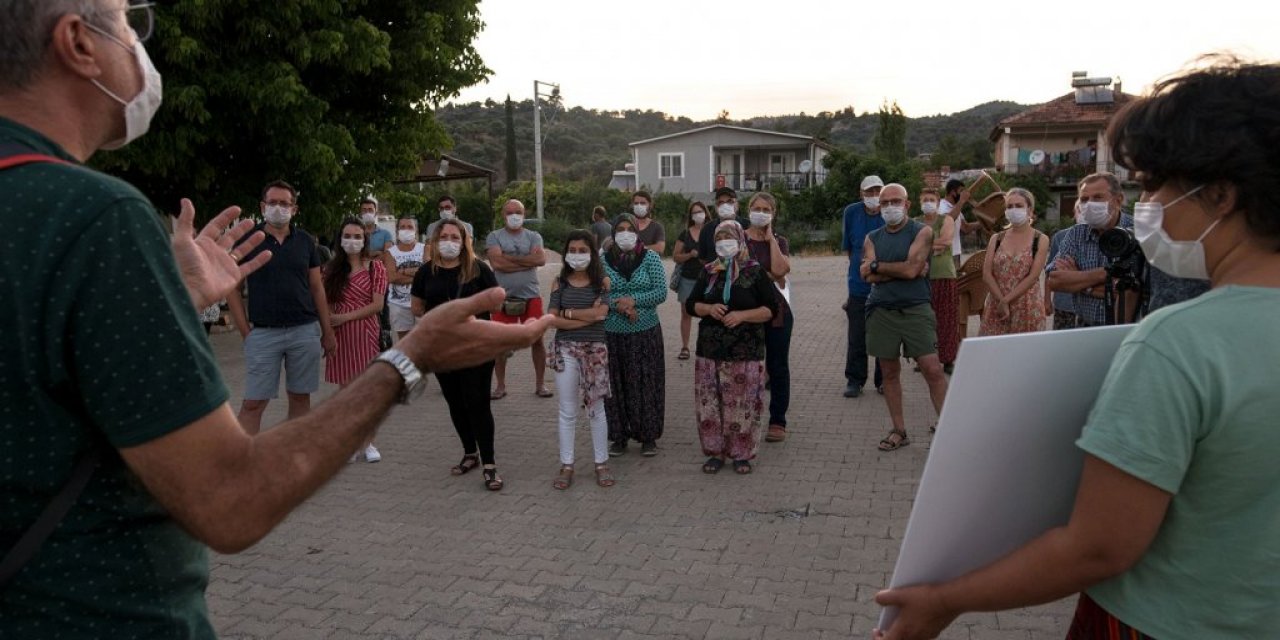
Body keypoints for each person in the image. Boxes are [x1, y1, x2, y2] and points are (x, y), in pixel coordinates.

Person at [0, 3, 550, 634]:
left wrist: (174, 298)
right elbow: (229, 500)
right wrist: (410, 356)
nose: (141, 46)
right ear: (77, 43)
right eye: (131, 24)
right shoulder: (92, 217)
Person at [874, 58, 1280, 640]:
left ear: (1219, 194)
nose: (1150, 205)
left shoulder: (1178, 345)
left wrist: (944, 598)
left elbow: (1097, 547)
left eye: (1158, 185)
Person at [225, 180, 338, 435]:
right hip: (263, 334)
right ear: (262, 206)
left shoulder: (306, 242)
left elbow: (316, 287)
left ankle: (294, 457)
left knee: (300, 398)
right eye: (273, 203)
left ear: (294, 209)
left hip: (304, 332)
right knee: (254, 403)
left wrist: (327, 331)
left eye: (284, 203)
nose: (278, 208)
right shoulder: (248, 241)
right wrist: (245, 331)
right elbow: (232, 287)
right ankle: (242, 463)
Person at [411, 219, 506, 491]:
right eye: (444, 236)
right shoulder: (425, 272)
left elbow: (497, 300)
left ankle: (489, 464)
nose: (449, 241)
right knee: (455, 402)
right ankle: (469, 453)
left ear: (464, 241)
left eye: (455, 236)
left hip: (476, 347)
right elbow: (417, 307)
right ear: (435, 241)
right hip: (442, 349)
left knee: (477, 402)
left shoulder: (479, 269)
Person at [861, 183, 949, 451]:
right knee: (889, 372)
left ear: (907, 204)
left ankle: (948, 429)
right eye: (885, 202)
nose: (889, 207)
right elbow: (868, 274)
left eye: (895, 201)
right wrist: (898, 268)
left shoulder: (921, 231)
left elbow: (912, 271)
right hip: (881, 311)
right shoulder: (872, 238)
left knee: (932, 369)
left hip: (916, 309)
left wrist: (880, 269)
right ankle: (899, 430)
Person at [686, 221, 778, 474]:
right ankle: (715, 452)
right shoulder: (708, 271)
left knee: (743, 403)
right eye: (719, 239)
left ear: (740, 240)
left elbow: (771, 309)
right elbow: (690, 304)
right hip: (710, 350)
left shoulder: (754, 271)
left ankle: (741, 453)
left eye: (729, 238)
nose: (724, 244)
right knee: (710, 404)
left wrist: (742, 316)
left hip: (745, 351)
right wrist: (708, 309)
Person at [547, 231, 614, 490]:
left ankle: (601, 463)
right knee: (567, 410)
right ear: (565, 253)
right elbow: (552, 319)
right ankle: (567, 465)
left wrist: (570, 314)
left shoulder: (602, 283)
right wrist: (589, 316)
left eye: (582, 250)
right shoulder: (558, 282)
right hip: (565, 351)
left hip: (595, 350)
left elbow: (603, 314)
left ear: (592, 252)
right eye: (572, 250)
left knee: (596, 409)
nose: (577, 255)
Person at [602, 213, 668, 457]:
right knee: (615, 385)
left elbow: (661, 292)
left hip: (645, 331)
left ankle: (648, 435)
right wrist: (618, 303)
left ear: (637, 232)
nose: (625, 233)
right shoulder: (603, 260)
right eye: (620, 229)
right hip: (613, 333)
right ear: (613, 233)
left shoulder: (650, 258)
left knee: (647, 382)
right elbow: (597, 294)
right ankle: (618, 437)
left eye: (630, 228)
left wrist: (634, 301)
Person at [322, 219, 388, 462]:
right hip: (340, 336)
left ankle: (368, 442)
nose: (352, 240)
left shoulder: (375, 268)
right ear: (340, 239)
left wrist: (345, 316)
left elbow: (377, 305)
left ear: (364, 239)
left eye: (357, 236)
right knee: (346, 391)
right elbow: (325, 302)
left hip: (365, 333)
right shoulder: (330, 270)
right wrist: (328, 327)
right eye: (347, 235)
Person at [1046, 173, 1136, 327]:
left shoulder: (1137, 231)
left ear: (1118, 200)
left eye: (1098, 197)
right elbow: (1055, 281)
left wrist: (1079, 281)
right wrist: (1106, 273)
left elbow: (1131, 291)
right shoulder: (1076, 234)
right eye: (1084, 199)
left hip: (1127, 329)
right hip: (1084, 326)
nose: (1090, 204)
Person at [742, 193, 793, 443]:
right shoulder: (737, 238)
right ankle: (745, 416)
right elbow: (737, 271)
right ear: (748, 209)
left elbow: (781, 270)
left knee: (777, 366)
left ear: (773, 214)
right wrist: (769, 274)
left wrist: (770, 238)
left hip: (777, 312)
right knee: (747, 365)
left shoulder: (779, 241)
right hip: (746, 311)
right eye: (756, 208)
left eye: (766, 209)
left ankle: (777, 421)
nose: (760, 213)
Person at [485, 199, 550, 399]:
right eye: (510, 212)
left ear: (524, 213)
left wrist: (509, 258)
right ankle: (500, 386)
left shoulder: (534, 236)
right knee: (500, 344)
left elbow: (540, 260)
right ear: (503, 215)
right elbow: (497, 264)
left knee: (537, 340)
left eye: (518, 212)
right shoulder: (494, 236)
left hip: (531, 296)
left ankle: (540, 385)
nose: (514, 216)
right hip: (502, 298)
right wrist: (525, 262)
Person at [979, 188, 1050, 336]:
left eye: (1019, 206)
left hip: (1028, 307)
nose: (1013, 210)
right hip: (996, 307)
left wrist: (1006, 301)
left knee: (1026, 354)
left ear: (1029, 210)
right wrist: (1001, 301)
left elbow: (1033, 277)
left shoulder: (1040, 239)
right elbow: (986, 274)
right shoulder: (996, 239)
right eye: (1009, 206)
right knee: (995, 353)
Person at [842, 175, 886, 397]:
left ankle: (884, 380)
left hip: (885, 286)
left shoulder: (890, 213)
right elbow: (850, 249)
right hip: (858, 286)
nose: (874, 196)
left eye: (878, 191)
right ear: (861, 194)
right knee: (856, 336)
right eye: (869, 192)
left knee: (884, 336)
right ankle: (855, 380)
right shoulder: (851, 212)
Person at [917, 188, 958, 373]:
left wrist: (922, 247)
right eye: (925, 199)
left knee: (946, 319)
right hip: (920, 277)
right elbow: (910, 245)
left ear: (938, 201)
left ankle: (948, 359)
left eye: (931, 199)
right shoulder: (915, 222)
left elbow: (946, 241)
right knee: (922, 320)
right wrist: (934, 246)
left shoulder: (946, 219)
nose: (928, 202)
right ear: (919, 202)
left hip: (943, 275)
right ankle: (923, 359)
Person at [671, 200, 708, 359]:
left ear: (706, 212)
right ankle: (685, 347)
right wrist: (689, 255)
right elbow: (675, 256)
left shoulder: (712, 230)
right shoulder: (685, 234)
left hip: (707, 279)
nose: (698, 214)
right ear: (691, 216)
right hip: (687, 278)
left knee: (708, 313)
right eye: (695, 212)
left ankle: (706, 346)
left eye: (700, 211)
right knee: (686, 313)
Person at [382, 214, 425, 341]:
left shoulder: (425, 249)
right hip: (398, 304)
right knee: (405, 343)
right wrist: (418, 274)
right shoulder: (390, 253)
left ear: (416, 230)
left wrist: (403, 271)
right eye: (402, 227)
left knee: (424, 341)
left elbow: (427, 274)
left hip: (423, 302)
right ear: (397, 231)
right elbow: (391, 277)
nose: (406, 230)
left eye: (410, 227)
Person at [1045, 204, 1082, 330]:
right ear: (1075, 214)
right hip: (1063, 304)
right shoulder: (1060, 237)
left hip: (1088, 305)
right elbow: (1049, 272)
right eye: (1079, 210)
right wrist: (1047, 300)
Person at [941, 178, 974, 271]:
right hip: (944, 254)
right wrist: (962, 201)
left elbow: (965, 227)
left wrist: (983, 222)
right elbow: (948, 220)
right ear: (953, 192)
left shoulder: (956, 208)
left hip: (955, 252)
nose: (963, 194)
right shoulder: (941, 206)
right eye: (961, 191)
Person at [629, 190, 666, 254]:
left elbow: (660, 248)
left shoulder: (657, 227)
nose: (639, 206)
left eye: (643, 203)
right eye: (636, 203)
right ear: (632, 205)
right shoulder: (626, 224)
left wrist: (639, 248)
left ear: (650, 205)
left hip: (650, 263)